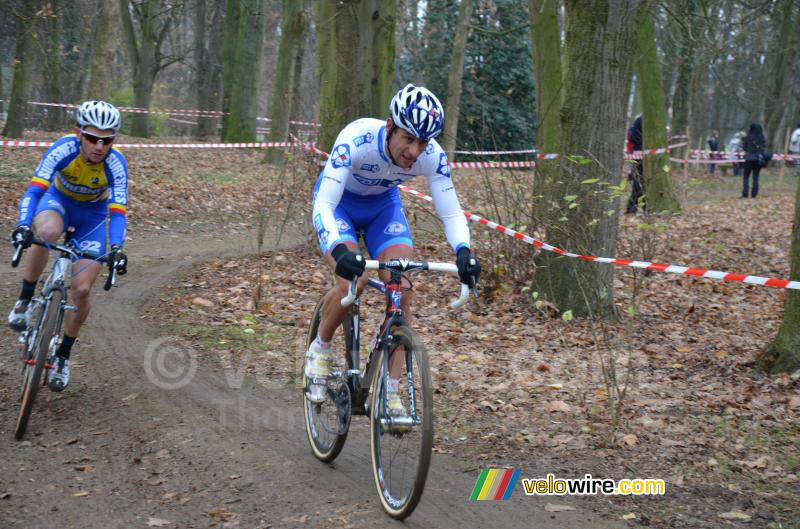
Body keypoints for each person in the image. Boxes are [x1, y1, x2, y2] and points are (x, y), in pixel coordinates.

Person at [305, 84, 481, 414]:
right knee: (351, 283)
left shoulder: (432, 157)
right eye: (409, 139)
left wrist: (463, 251)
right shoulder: (356, 138)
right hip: (339, 206)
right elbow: (324, 205)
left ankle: (392, 393)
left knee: (403, 287)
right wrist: (338, 249)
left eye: (423, 142)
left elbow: (452, 212)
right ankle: (321, 348)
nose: (415, 151)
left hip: (383, 209)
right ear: (390, 126)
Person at [8, 100, 129, 391]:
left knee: (83, 289)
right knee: (46, 232)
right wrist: (24, 225)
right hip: (58, 202)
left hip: (93, 217)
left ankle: (63, 354)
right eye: (92, 138)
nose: (99, 146)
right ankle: (25, 299)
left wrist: (116, 249)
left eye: (107, 140)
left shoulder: (115, 164)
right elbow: (34, 191)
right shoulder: (63, 149)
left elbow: (118, 213)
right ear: (79, 133)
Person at [625, 114, 645, 214]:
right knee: (639, 183)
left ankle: (635, 208)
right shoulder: (641, 119)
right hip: (639, 156)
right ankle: (632, 208)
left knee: (642, 183)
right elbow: (632, 137)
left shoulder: (639, 119)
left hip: (639, 155)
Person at [741, 123, 766, 198]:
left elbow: (744, 147)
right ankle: (754, 194)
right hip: (758, 159)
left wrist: (748, 150)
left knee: (746, 176)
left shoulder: (748, 136)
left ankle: (745, 193)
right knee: (756, 177)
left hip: (749, 158)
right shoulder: (761, 137)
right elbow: (764, 146)